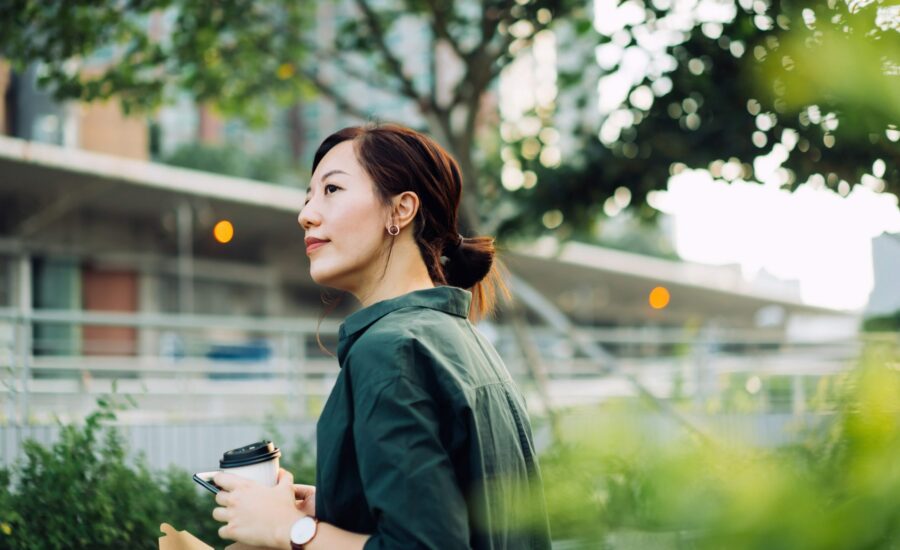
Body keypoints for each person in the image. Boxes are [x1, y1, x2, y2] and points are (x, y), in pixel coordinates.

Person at [211, 123, 551, 549]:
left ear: (401, 210)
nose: (306, 214)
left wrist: (291, 532)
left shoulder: (391, 350)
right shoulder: (462, 338)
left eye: (331, 190)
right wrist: (328, 507)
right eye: (308, 197)